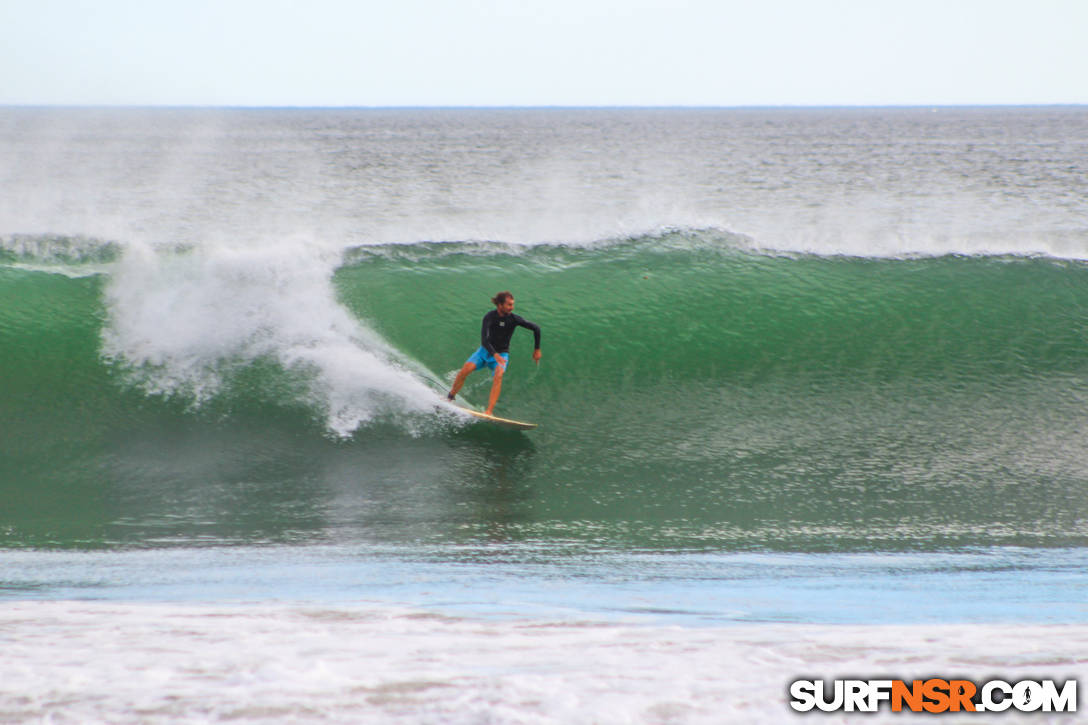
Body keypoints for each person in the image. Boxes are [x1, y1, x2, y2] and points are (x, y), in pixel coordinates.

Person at [447, 291, 541, 416]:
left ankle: (489, 411)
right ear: (500, 305)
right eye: (509, 305)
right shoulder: (489, 317)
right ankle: (450, 397)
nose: (512, 307)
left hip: (502, 354)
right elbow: (484, 340)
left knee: (498, 375)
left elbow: (536, 328)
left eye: (512, 304)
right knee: (464, 370)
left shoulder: (514, 319)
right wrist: (494, 354)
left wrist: (537, 349)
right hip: (485, 351)